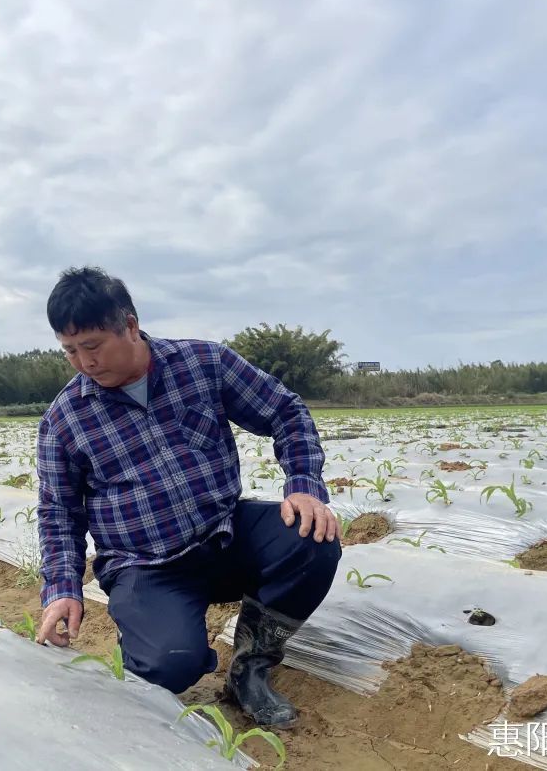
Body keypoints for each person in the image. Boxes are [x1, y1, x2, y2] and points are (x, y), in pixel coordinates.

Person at [34, 266, 341, 728]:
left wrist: (303, 484)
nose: (84, 362)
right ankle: (149, 638)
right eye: (70, 351)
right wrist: (62, 588)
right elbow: (59, 513)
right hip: (145, 564)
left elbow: (285, 410)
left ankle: (249, 670)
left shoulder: (203, 364)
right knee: (169, 664)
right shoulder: (65, 419)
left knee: (310, 538)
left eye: (93, 346)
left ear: (131, 326)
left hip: (223, 533)